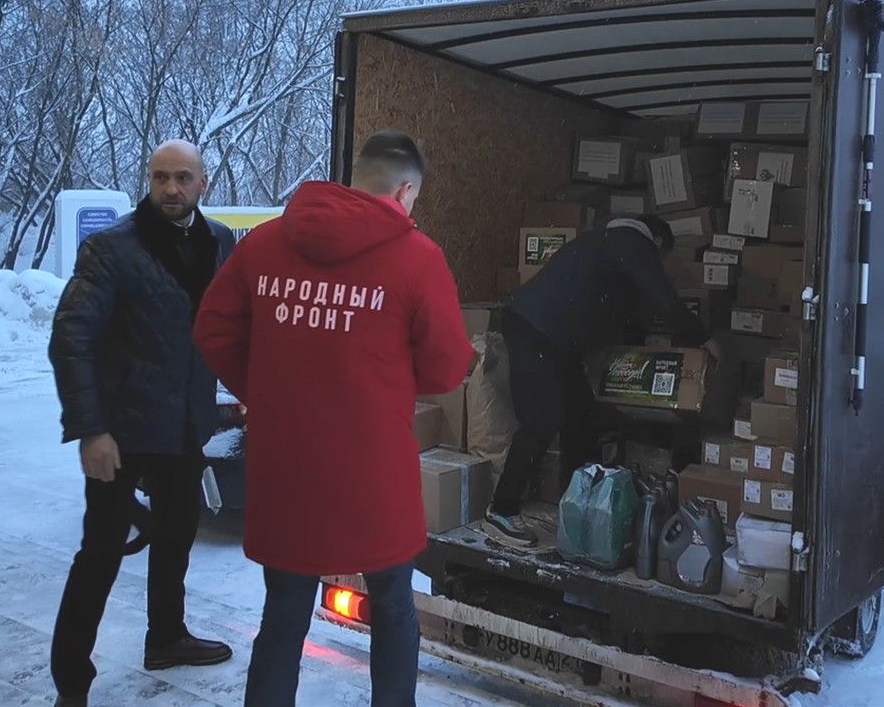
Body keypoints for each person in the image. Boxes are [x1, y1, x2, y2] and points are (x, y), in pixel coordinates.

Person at [193, 130, 474, 707]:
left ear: (356, 180)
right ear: (404, 192)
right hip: (374, 472)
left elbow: (213, 330)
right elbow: (447, 367)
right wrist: (381, 384)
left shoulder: (266, 244)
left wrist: (267, 391)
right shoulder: (418, 258)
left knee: (283, 615)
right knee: (393, 610)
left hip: (286, 464)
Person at [47, 140, 236, 707]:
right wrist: (91, 430)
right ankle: (72, 684)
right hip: (121, 431)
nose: (170, 188)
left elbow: (225, 326)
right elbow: (71, 339)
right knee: (100, 555)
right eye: (159, 177)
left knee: (176, 539)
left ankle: (167, 637)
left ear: (203, 183)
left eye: (182, 178)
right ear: (148, 181)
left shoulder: (219, 241)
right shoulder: (112, 247)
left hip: (185, 425)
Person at [482, 215, 723, 546]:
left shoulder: (604, 243)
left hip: (548, 335)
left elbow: (618, 308)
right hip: (537, 331)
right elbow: (661, 296)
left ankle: (578, 503)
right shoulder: (633, 243)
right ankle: (501, 511)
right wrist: (703, 339)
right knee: (541, 420)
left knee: (580, 413)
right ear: (657, 242)